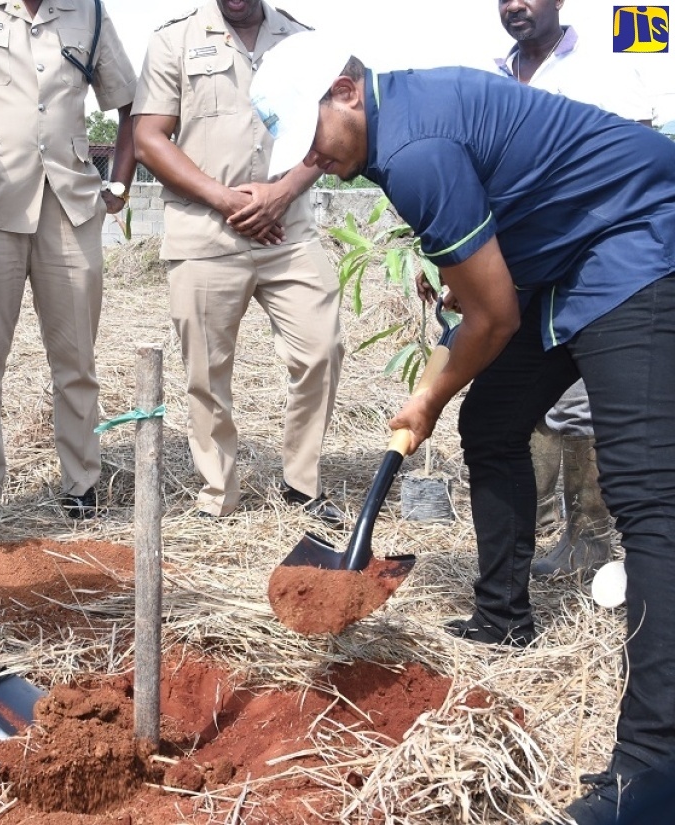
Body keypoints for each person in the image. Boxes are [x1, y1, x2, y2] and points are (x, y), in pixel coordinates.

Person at [251, 30, 675, 824]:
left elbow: (492, 316)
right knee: (496, 421)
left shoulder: (413, 149)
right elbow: (485, 280)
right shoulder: (391, 127)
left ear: (346, 91)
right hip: (559, 262)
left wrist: (428, 395)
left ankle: (654, 772)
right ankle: (503, 615)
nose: (312, 159)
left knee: (649, 498)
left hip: (633, 236)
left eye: (311, 139)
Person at [0, 0, 137, 535]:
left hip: (70, 205)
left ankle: (81, 484)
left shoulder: (87, 11)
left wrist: (119, 179)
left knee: (76, 360)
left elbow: (128, 100)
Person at [132, 1, 344, 525]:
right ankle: (217, 492)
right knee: (205, 370)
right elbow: (148, 139)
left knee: (323, 347)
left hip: (285, 229)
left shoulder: (302, 40)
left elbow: (332, 129)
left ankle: (302, 486)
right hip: (205, 230)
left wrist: (281, 193)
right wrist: (228, 202)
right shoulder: (173, 41)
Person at [492, 0, 651, 579]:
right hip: (522, 264)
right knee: (535, 399)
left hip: (591, 259)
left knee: (581, 404)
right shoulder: (496, 70)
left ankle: (590, 539)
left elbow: (641, 153)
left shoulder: (604, 65)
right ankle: (535, 535)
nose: (516, 6)